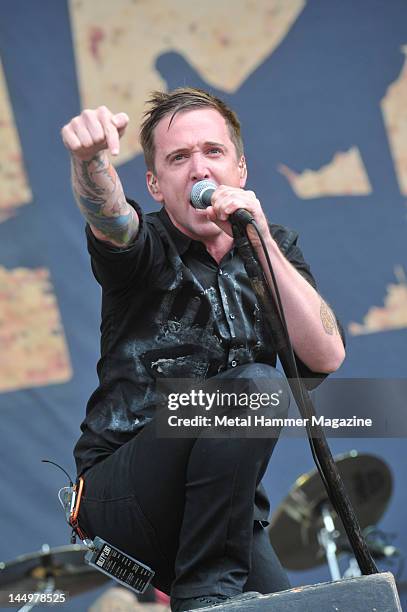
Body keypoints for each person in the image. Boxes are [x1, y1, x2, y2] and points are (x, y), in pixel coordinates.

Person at [61, 88, 345, 612]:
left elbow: (325, 358)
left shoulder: (272, 244)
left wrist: (258, 242)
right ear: (155, 183)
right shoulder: (143, 244)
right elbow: (109, 219)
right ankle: (204, 599)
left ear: (240, 167)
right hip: (124, 493)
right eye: (178, 158)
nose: (199, 169)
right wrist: (90, 161)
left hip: (219, 513)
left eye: (213, 152)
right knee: (257, 386)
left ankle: (208, 593)